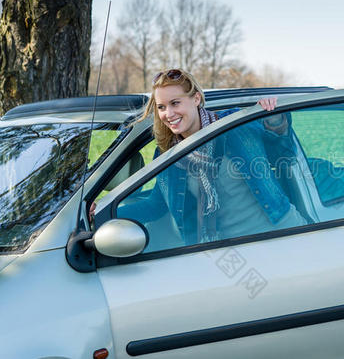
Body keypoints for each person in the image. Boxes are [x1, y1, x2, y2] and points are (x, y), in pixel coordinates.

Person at [93, 68, 306, 248]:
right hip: (232, 248)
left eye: (175, 103)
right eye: (161, 107)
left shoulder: (235, 124)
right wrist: (102, 213)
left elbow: (285, 156)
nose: (168, 113)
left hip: (283, 233)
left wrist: (276, 121)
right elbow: (156, 205)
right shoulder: (169, 154)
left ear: (195, 98)